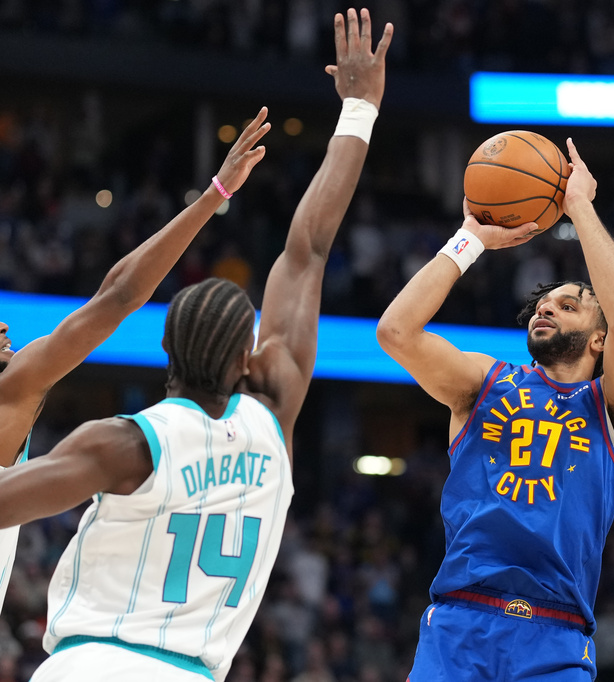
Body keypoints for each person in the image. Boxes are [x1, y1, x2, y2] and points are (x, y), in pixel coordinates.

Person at [0, 9, 391, 681]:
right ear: (250, 357)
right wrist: (358, 112)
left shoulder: (121, 442)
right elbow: (308, 251)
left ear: (167, 354)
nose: (8, 330)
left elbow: (115, 300)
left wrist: (215, 195)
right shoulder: (272, 416)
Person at [377, 139, 614, 680]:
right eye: (543, 304)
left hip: (556, 640)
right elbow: (395, 332)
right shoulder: (486, 382)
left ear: (598, 341)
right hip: (459, 624)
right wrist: (469, 240)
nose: (546, 306)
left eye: (568, 305)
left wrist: (580, 206)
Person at [0, 103, 271, 613]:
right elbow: (119, 297)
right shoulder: (10, 390)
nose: (5, 325)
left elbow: (112, 293)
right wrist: (215, 195)